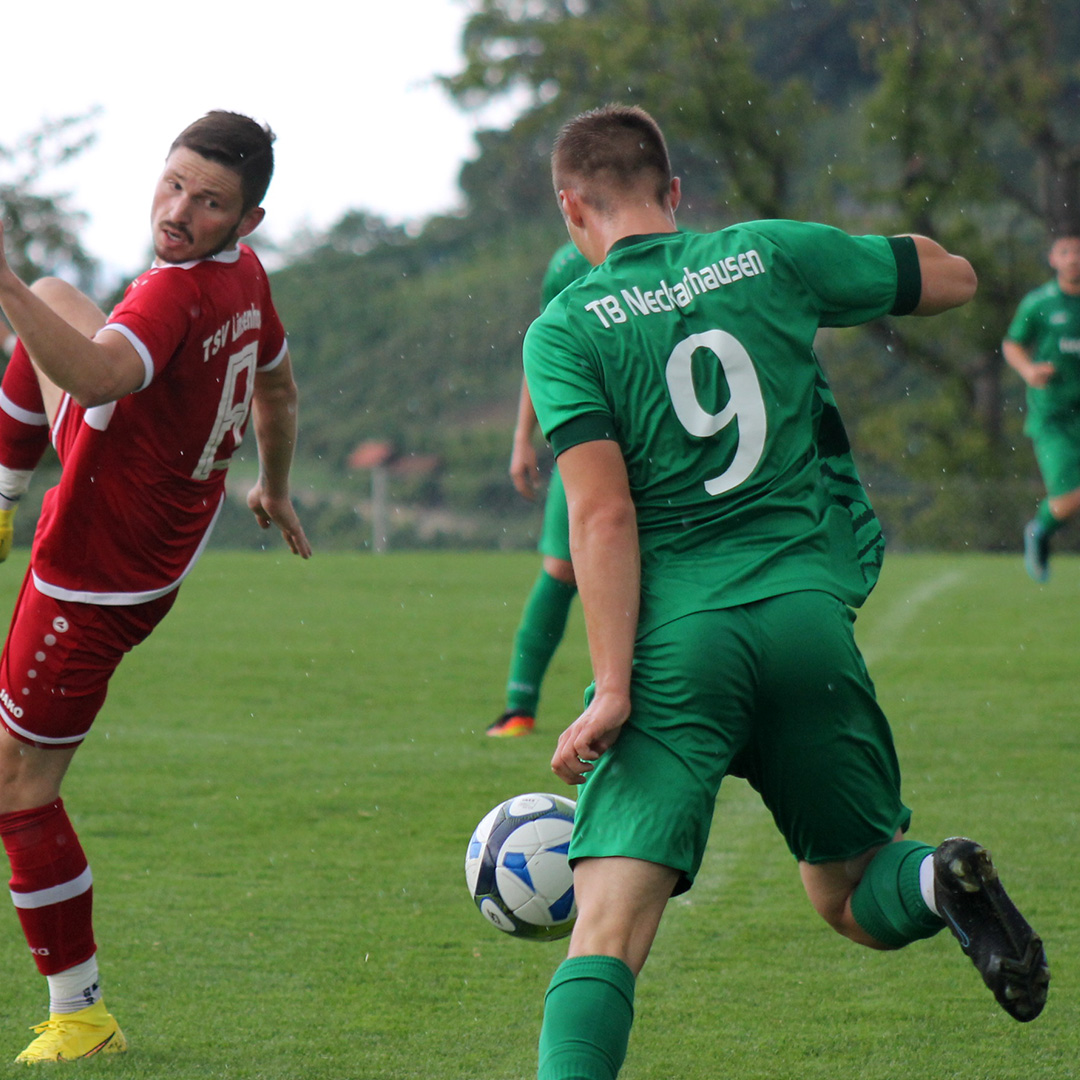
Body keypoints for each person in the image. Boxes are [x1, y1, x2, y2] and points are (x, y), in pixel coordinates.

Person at [521, 105, 1049, 1080]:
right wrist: (807, 266)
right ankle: (939, 880)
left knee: (604, 932)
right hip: (807, 623)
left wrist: (609, 688)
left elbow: (601, 518)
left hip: (681, 647)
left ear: (571, 208)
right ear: (673, 192)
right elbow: (952, 277)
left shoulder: (566, 329)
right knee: (852, 892)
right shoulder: (766, 255)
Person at [0, 110, 311, 1064]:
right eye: (173, 184)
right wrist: (274, 486)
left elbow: (96, 372)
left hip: (93, 576)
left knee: (15, 786)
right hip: (152, 518)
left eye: (208, 202)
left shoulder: (175, 298)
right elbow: (280, 391)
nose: (178, 212)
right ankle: (3, 495)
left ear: (245, 219)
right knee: (57, 293)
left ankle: (81, 1010)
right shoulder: (248, 283)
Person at [488, 242, 591, 737]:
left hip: (657, 438)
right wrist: (522, 438)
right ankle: (519, 706)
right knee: (562, 567)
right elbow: (545, 348)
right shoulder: (569, 265)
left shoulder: (676, 258)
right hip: (589, 438)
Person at [1002, 231, 1080, 582]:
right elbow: (1012, 345)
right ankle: (1040, 530)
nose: (1073, 259)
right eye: (1065, 252)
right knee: (1067, 500)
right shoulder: (1040, 303)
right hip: (1054, 416)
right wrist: (1029, 369)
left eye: (1078, 252)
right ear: (1053, 259)